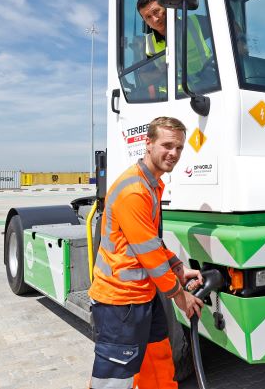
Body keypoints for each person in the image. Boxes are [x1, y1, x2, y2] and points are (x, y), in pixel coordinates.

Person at [88, 116, 204, 389]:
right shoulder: (134, 191)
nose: (173, 153)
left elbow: (151, 242)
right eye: (167, 145)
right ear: (148, 144)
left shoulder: (151, 184)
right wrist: (180, 295)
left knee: (158, 360)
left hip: (143, 295)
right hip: (120, 303)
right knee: (114, 381)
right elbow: (149, 255)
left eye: (179, 147)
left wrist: (176, 265)